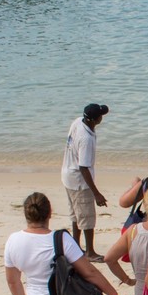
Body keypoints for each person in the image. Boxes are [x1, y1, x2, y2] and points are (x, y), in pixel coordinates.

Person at [61, 103, 110, 260]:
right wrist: (97, 193)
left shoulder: (78, 121)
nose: (102, 117)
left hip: (67, 175)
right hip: (79, 181)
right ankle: (89, 252)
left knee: (76, 214)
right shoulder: (86, 138)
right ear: (95, 119)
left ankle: (75, 245)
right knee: (87, 217)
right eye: (101, 115)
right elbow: (83, 167)